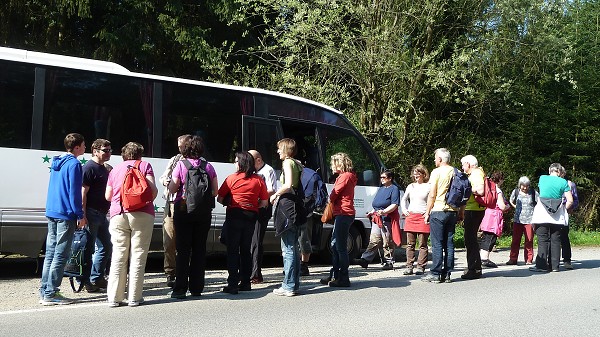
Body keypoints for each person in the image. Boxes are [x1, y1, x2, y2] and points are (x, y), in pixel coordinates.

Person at [105, 142, 158, 307]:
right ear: (140, 154)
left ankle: (114, 298)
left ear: (123, 155)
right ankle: (134, 297)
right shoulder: (145, 165)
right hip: (142, 214)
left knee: (118, 256)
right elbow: (153, 190)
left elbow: (108, 195)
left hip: (118, 214)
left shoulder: (115, 170)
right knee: (138, 255)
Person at [168, 136, 218, 299]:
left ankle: (180, 289)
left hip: (183, 210)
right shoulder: (209, 167)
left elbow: (173, 187)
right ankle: (197, 288)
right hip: (203, 213)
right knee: (199, 249)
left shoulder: (181, 165)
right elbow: (215, 192)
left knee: (182, 250)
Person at [39, 133, 86, 305]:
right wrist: (80, 214)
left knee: (50, 253)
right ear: (76, 147)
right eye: (83, 145)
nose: (85, 147)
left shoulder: (57, 161)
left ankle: (44, 290)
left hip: (52, 211)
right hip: (66, 213)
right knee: (61, 254)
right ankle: (52, 293)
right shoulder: (74, 164)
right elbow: (74, 192)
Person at [217, 152, 269, 295]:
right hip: (251, 217)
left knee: (232, 250)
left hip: (234, 215)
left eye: (235, 161)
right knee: (246, 250)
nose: (234, 164)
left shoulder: (231, 179)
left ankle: (232, 283)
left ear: (241, 163)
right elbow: (264, 202)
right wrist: (251, 205)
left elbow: (220, 198)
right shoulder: (258, 180)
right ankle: (246, 282)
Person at [270, 138, 306, 296]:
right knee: (294, 247)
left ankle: (288, 285)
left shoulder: (287, 163)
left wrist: (275, 195)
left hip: (288, 207)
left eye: (279, 149)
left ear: (285, 149)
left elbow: (288, 184)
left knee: (288, 248)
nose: (277, 151)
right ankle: (294, 284)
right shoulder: (297, 163)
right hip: (296, 207)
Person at [320, 152, 357, 288]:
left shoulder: (345, 176)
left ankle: (343, 278)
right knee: (334, 245)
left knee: (340, 247)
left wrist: (329, 198)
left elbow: (334, 194)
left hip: (343, 213)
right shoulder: (348, 176)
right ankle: (335, 274)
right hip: (344, 213)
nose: (332, 166)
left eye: (333, 163)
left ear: (340, 163)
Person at [81, 138, 113, 293]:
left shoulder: (103, 168)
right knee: (89, 249)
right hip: (91, 213)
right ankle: (87, 281)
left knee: (106, 245)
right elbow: (83, 193)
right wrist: (82, 214)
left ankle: (97, 278)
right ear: (95, 151)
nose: (109, 153)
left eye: (110, 150)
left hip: (101, 214)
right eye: (105, 150)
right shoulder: (89, 168)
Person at [159, 134, 191, 288]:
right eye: (178, 146)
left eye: (182, 146)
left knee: (185, 241)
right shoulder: (175, 159)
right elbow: (163, 177)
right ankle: (170, 272)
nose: (180, 149)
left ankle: (184, 271)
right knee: (169, 240)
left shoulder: (200, 162)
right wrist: (165, 180)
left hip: (187, 205)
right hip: (171, 204)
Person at [422, 148, 458, 283]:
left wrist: (427, 212)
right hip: (452, 211)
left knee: (437, 243)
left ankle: (435, 273)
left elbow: (432, 194)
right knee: (449, 243)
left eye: (435, 157)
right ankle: (447, 274)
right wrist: (460, 212)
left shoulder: (437, 172)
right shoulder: (456, 172)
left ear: (441, 159)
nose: (434, 160)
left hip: (438, 210)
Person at [529, 163, 573, 272]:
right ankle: (555, 266)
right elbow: (570, 200)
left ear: (550, 170)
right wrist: (562, 209)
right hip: (557, 216)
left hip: (542, 214)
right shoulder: (563, 182)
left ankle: (542, 266)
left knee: (543, 239)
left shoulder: (542, 178)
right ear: (559, 171)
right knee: (556, 240)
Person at [354, 169, 400, 270]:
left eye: (384, 177)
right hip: (377, 218)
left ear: (390, 178)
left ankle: (389, 261)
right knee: (374, 240)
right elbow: (376, 204)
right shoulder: (381, 189)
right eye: (381, 177)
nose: (381, 179)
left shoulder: (394, 189)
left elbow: (394, 204)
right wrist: (371, 212)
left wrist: (384, 212)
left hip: (387, 219)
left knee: (387, 241)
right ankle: (365, 259)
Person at [248, 150, 277, 284]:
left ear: (258, 160)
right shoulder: (253, 171)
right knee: (251, 241)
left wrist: (256, 196)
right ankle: (252, 271)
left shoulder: (268, 170)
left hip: (262, 209)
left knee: (256, 240)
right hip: (253, 208)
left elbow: (272, 189)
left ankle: (256, 273)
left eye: (251, 161)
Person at [401, 164, 431, 275]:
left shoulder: (428, 186)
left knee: (422, 244)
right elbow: (403, 199)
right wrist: (404, 210)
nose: (416, 175)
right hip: (411, 216)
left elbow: (432, 201)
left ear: (423, 174)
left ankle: (421, 266)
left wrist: (428, 212)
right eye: (414, 173)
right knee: (410, 244)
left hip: (423, 217)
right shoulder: (411, 186)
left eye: (418, 173)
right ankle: (409, 266)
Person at [460, 154, 486, 280]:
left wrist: (466, 189)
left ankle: (474, 269)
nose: (462, 167)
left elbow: (480, 191)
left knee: (470, 240)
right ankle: (474, 266)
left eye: (463, 164)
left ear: (468, 164)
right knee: (470, 239)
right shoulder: (476, 173)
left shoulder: (475, 174)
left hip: (473, 210)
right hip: (473, 209)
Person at [479, 171, 510, 268]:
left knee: (486, 236)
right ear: (500, 179)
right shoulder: (498, 190)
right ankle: (484, 258)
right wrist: (507, 206)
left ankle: (481, 257)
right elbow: (501, 205)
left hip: (487, 213)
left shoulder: (489, 186)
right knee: (491, 237)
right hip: (494, 216)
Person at [506, 176, 538, 265]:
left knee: (529, 240)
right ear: (519, 185)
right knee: (515, 240)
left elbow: (539, 203)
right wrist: (515, 206)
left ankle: (528, 259)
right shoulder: (515, 192)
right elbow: (511, 200)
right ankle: (513, 258)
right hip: (518, 220)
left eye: (527, 186)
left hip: (530, 220)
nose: (525, 188)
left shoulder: (533, 193)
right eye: (523, 186)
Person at [559, 165, 579, 269]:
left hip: (564, 213)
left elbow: (575, 200)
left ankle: (567, 260)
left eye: (560, 173)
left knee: (564, 237)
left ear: (563, 173)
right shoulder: (552, 184)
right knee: (552, 237)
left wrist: (570, 207)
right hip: (552, 213)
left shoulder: (570, 184)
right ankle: (553, 261)